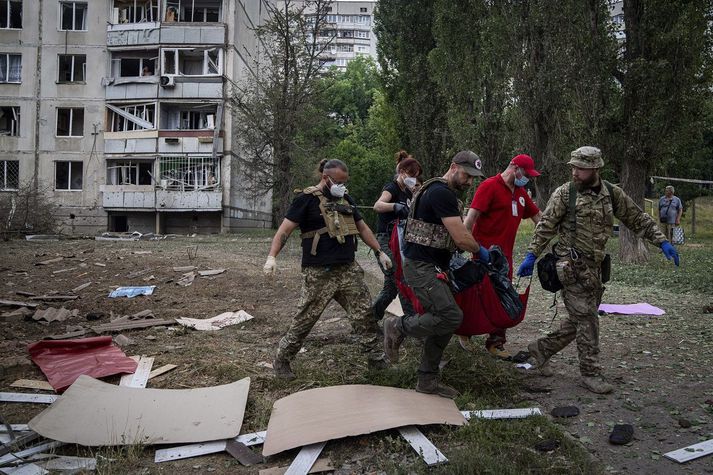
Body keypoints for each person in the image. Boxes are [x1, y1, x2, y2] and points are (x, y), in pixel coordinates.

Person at [517, 146, 680, 394]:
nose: (574, 172)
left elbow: (637, 218)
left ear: (594, 169)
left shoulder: (612, 194)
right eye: (572, 167)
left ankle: (540, 350)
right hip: (569, 267)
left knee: (578, 321)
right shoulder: (565, 194)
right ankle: (590, 373)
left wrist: (662, 241)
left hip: (594, 271)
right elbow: (546, 226)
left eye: (579, 168)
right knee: (587, 319)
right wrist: (531, 255)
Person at [263, 159, 393, 380]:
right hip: (319, 272)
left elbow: (362, 227)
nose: (342, 186)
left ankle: (377, 361)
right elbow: (284, 230)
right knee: (305, 319)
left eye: (344, 182)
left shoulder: (345, 199)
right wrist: (272, 257)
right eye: (338, 181)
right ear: (325, 178)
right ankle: (282, 360)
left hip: (347, 269)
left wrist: (379, 251)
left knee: (364, 316)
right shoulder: (305, 199)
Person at [383, 150, 489, 398]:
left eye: (474, 178)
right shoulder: (440, 192)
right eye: (466, 175)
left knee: (444, 320)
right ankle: (397, 326)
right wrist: (480, 251)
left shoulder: (439, 191)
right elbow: (461, 237)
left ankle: (427, 380)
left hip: (431, 264)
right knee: (450, 316)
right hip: (421, 266)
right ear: (453, 167)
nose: (469, 181)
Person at [462, 154, 542, 359]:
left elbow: (539, 219)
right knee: (478, 296)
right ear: (515, 168)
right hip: (483, 254)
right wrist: (466, 245)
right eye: (526, 174)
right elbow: (470, 220)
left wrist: (549, 235)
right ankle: (465, 332)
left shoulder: (521, 193)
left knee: (504, 298)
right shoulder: (489, 187)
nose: (528, 179)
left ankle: (496, 342)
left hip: (505, 259)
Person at [371, 151, 422, 323]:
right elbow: (377, 206)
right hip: (385, 238)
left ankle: (370, 318)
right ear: (402, 173)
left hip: (400, 239)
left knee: (391, 288)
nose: (413, 180)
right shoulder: (391, 187)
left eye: (416, 177)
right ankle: (410, 321)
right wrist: (395, 206)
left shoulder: (408, 191)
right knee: (399, 277)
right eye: (411, 176)